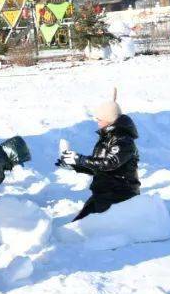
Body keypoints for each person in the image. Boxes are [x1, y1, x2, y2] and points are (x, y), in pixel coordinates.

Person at [58, 90, 140, 221]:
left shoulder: (123, 140)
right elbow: (99, 166)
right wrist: (75, 165)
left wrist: (80, 159)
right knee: (77, 226)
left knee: (84, 231)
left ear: (109, 120)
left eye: (99, 119)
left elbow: (109, 163)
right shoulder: (107, 138)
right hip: (104, 193)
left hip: (119, 195)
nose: (97, 122)